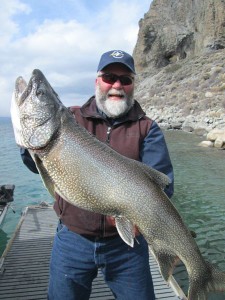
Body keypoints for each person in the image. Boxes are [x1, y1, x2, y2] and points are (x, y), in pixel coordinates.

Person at [20, 50, 174, 300]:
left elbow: (163, 186)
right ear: (97, 81)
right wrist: (28, 143)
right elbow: (34, 164)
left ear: (133, 85)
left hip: (126, 247)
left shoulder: (148, 128)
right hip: (73, 239)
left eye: (125, 79)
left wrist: (140, 220)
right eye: (109, 77)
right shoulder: (70, 118)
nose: (117, 85)